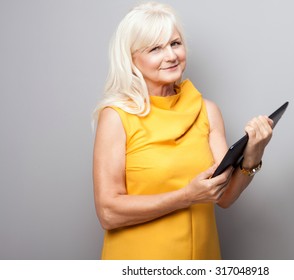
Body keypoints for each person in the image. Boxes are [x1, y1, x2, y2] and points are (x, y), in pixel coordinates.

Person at [92, 1, 273, 260]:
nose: (171, 56)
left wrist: (254, 152)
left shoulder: (206, 110)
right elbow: (108, 213)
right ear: (131, 59)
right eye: (155, 48)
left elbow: (225, 195)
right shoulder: (117, 117)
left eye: (175, 43)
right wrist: (186, 196)